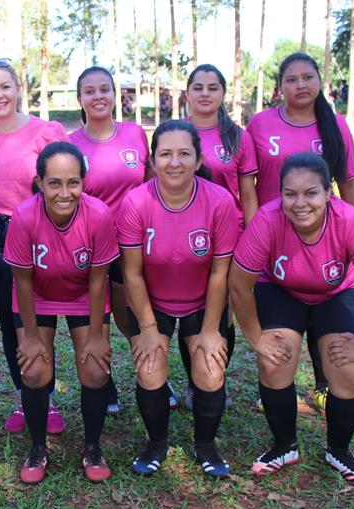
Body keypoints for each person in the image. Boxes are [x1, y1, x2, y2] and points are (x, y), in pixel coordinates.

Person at [228, 153, 354, 487]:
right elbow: (238, 285)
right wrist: (257, 338)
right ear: (280, 195)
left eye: (311, 193)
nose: (300, 203)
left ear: (328, 193)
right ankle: (284, 445)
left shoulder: (350, 222)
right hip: (282, 289)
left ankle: (340, 450)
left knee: (347, 366)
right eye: (290, 193)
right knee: (275, 357)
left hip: (338, 293)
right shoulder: (267, 219)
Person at [117, 120, 238, 479]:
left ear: (199, 160)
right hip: (152, 301)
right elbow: (132, 273)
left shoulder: (219, 201)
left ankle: (206, 446)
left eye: (184, 153)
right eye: (165, 154)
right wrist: (149, 330)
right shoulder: (135, 202)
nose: (174, 162)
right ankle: (156, 443)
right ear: (152, 161)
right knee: (150, 368)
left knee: (211, 369)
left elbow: (220, 273)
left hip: (203, 301)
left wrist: (212, 330)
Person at [246, 52, 354, 414]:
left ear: (319, 82)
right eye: (292, 79)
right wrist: (254, 233)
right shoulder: (260, 124)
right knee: (284, 316)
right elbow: (249, 184)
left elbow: (348, 183)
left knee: (325, 307)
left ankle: (325, 384)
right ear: (279, 87)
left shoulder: (336, 125)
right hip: (275, 240)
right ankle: (281, 389)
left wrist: (353, 237)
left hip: (325, 239)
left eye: (307, 77)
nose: (300, 85)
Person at [0, 58, 69, 434]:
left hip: (40, 235)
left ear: (18, 88)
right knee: (11, 323)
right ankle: (28, 397)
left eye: (5, 86)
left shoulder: (46, 131)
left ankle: (47, 397)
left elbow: (64, 184)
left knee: (39, 320)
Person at [4, 142, 118, 483]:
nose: (64, 192)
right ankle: (38, 447)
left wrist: (97, 337)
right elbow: (22, 282)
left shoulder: (98, 215)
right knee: (36, 372)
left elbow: (99, 280)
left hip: (84, 294)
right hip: (37, 295)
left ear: (83, 182)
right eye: (55, 182)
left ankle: (92, 447)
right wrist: (32, 339)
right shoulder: (25, 216)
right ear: (40, 183)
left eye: (73, 182)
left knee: (96, 371)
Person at [68, 66, 155, 416]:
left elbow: (150, 182)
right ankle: (105, 383)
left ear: (115, 95)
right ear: (80, 99)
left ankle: (153, 376)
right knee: (98, 316)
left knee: (132, 315)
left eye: (105, 89)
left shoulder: (135, 133)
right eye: (90, 91)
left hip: (137, 243)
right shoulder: (70, 143)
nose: (98, 96)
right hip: (92, 245)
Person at [181, 64, 259, 410]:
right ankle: (194, 382)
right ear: (188, 94)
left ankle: (216, 377)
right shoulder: (177, 132)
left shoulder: (237, 137)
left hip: (229, 237)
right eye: (198, 87)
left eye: (213, 87)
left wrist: (257, 240)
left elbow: (248, 194)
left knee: (223, 313)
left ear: (223, 94)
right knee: (192, 311)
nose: (205, 94)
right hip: (184, 238)